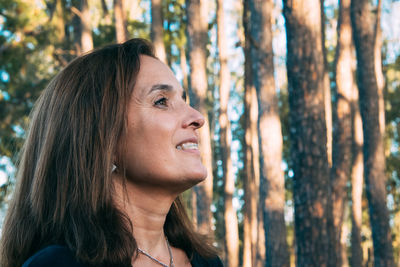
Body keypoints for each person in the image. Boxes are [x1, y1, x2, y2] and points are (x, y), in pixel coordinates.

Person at [0, 38, 223, 267]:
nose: (197, 118)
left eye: (183, 100)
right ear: (105, 138)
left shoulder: (207, 261)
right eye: (161, 101)